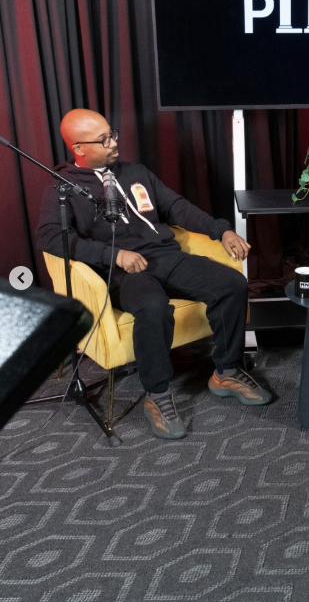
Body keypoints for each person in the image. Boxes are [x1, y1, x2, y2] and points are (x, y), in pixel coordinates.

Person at [36, 109, 271, 440]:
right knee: (152, 307)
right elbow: (48, 237)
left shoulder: (135, 172)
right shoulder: (63, 189)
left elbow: (176, 206)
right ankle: (157, 396)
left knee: (232, 284)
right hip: (120, 272)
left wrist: (221, 231)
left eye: (112, 133)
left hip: (164, 256)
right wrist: (112, 255)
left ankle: (227, 371)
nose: (114, 142)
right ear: (79, 149)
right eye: (104, 139)